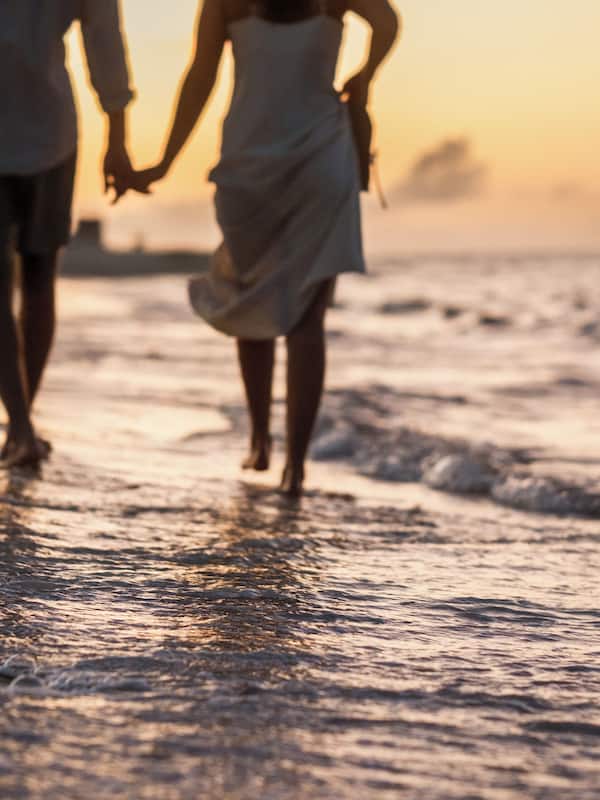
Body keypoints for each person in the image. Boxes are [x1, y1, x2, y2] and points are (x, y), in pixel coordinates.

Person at [133, 0, 400, 495]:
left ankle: (259, 439)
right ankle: (295, 467)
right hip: (320, 157)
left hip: (248, 162)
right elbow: (386, 21)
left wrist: (164, 161)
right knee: (308, 321)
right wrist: (364, 77)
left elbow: (200, 77)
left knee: (251, 297)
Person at [0, 1, 135, 468]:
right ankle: (21, 426)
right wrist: (117, 135)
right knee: (39, 281)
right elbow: (105, 39)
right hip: (50, 132)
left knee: (30, 282)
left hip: (48, 136)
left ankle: (20, 424)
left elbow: (103, 35)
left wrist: (117, 137)